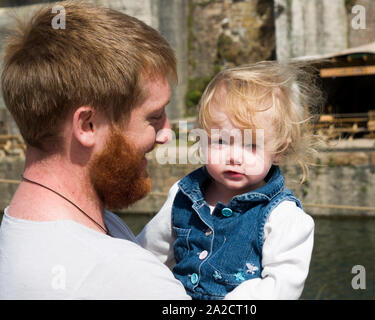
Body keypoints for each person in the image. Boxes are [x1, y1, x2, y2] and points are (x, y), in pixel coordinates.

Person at [0, 1, 190, 299]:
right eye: (154, 117)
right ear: (87, 125)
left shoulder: (18, 230)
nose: (166, 133)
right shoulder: (125, 276)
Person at [137, 61, 321, 300]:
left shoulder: (283, 217)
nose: (234, 157)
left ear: (278, 149)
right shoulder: (182, 196)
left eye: (251, 145)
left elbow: (281, 288)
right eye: (221, 142)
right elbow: (147, 254)